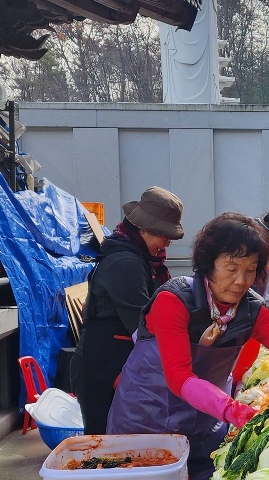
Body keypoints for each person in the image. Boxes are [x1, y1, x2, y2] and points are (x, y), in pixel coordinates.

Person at [108, 214, 269, 480]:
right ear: (209, 264)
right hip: (145, 421)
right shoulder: (174, 300)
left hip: (204, 424)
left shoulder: (252, 309)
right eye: (231, 268)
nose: (241, 281)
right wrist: (232, 409)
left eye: (250, 270)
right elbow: (179, 377)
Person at [71, 186, 184, 434]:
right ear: (143, 229)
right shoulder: (125, 264)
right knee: (106, 442)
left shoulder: (140, 259)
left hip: (119, 361)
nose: (167, 242)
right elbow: (143, 325)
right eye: (164, 235)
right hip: (104, 367)